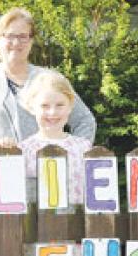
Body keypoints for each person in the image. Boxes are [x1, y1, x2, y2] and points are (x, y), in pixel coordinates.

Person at [0, 8, 95, 147]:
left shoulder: (51, 79)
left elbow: (85, 120)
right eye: (9, 36)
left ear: (31, 40)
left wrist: (73, 152)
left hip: (46, 166)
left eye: (22, 36)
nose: (16, 42)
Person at [18, 70, 93, 205]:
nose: (52, 112)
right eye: (44, 106)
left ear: (70, 106)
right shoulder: (24, 150)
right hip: (37, 224)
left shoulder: (83, 147)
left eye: (60, 105)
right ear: (32, 107)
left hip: (76, 222)